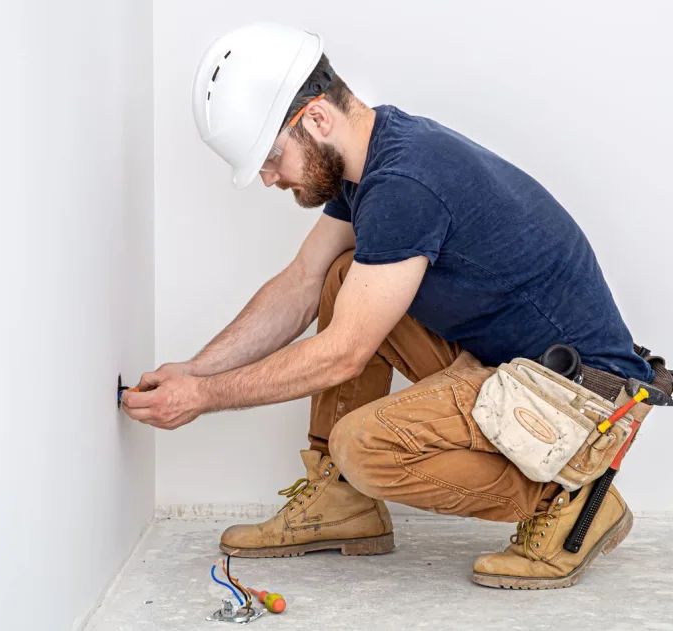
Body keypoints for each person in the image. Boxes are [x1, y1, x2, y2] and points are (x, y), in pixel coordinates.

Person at [121, 23, 669, 589]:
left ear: (315, 118)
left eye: (271, 156)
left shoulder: (405, 181)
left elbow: (342, 357)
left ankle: (573, 496)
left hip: (579, 400)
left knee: (363, 445)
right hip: (508, 366)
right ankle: (342, 503)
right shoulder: (372, 161)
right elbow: (302, 282)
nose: (267, 178)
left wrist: (204, 398)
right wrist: (195, 370)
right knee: (340, 277)